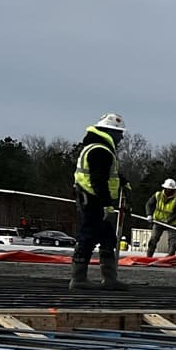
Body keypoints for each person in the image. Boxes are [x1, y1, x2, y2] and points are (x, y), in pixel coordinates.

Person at [69, 112, 128, 292]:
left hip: (91, 197)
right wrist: (106, 204)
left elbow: (106, 173)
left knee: (108, 237)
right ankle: (78, 278)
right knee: (88, 236)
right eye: (119, 134)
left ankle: (109, 279)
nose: (121, 137)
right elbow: (98, 179)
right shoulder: (100, 150)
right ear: (110, 132)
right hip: (92, 199)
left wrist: (123, 181)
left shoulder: (99, 148)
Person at [146, 179, 176, 255]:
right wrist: (149, 214)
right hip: (158, 221)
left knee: (172, 242)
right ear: (164, 188)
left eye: (171, 189)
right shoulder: (158, 195)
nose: (169, 191)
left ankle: (170, 257)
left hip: (172, 223)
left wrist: (168, 221)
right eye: (167, 189)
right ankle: (149, 256)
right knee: (153, 239)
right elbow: (149, 204)